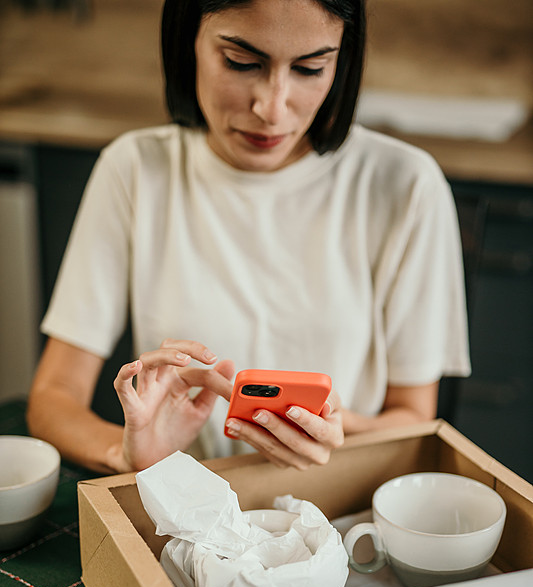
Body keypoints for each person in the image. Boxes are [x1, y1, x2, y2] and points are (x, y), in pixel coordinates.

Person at [27, 0, 470, 475]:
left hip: (340, 518)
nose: (272, 108)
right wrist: (130, 454)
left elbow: (413, 417)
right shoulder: (135, 171)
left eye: (310, 68)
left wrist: (338, 431)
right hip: (185, 521)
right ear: (187, 43)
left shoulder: (405, 185)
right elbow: (54, 399)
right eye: (241, 63)